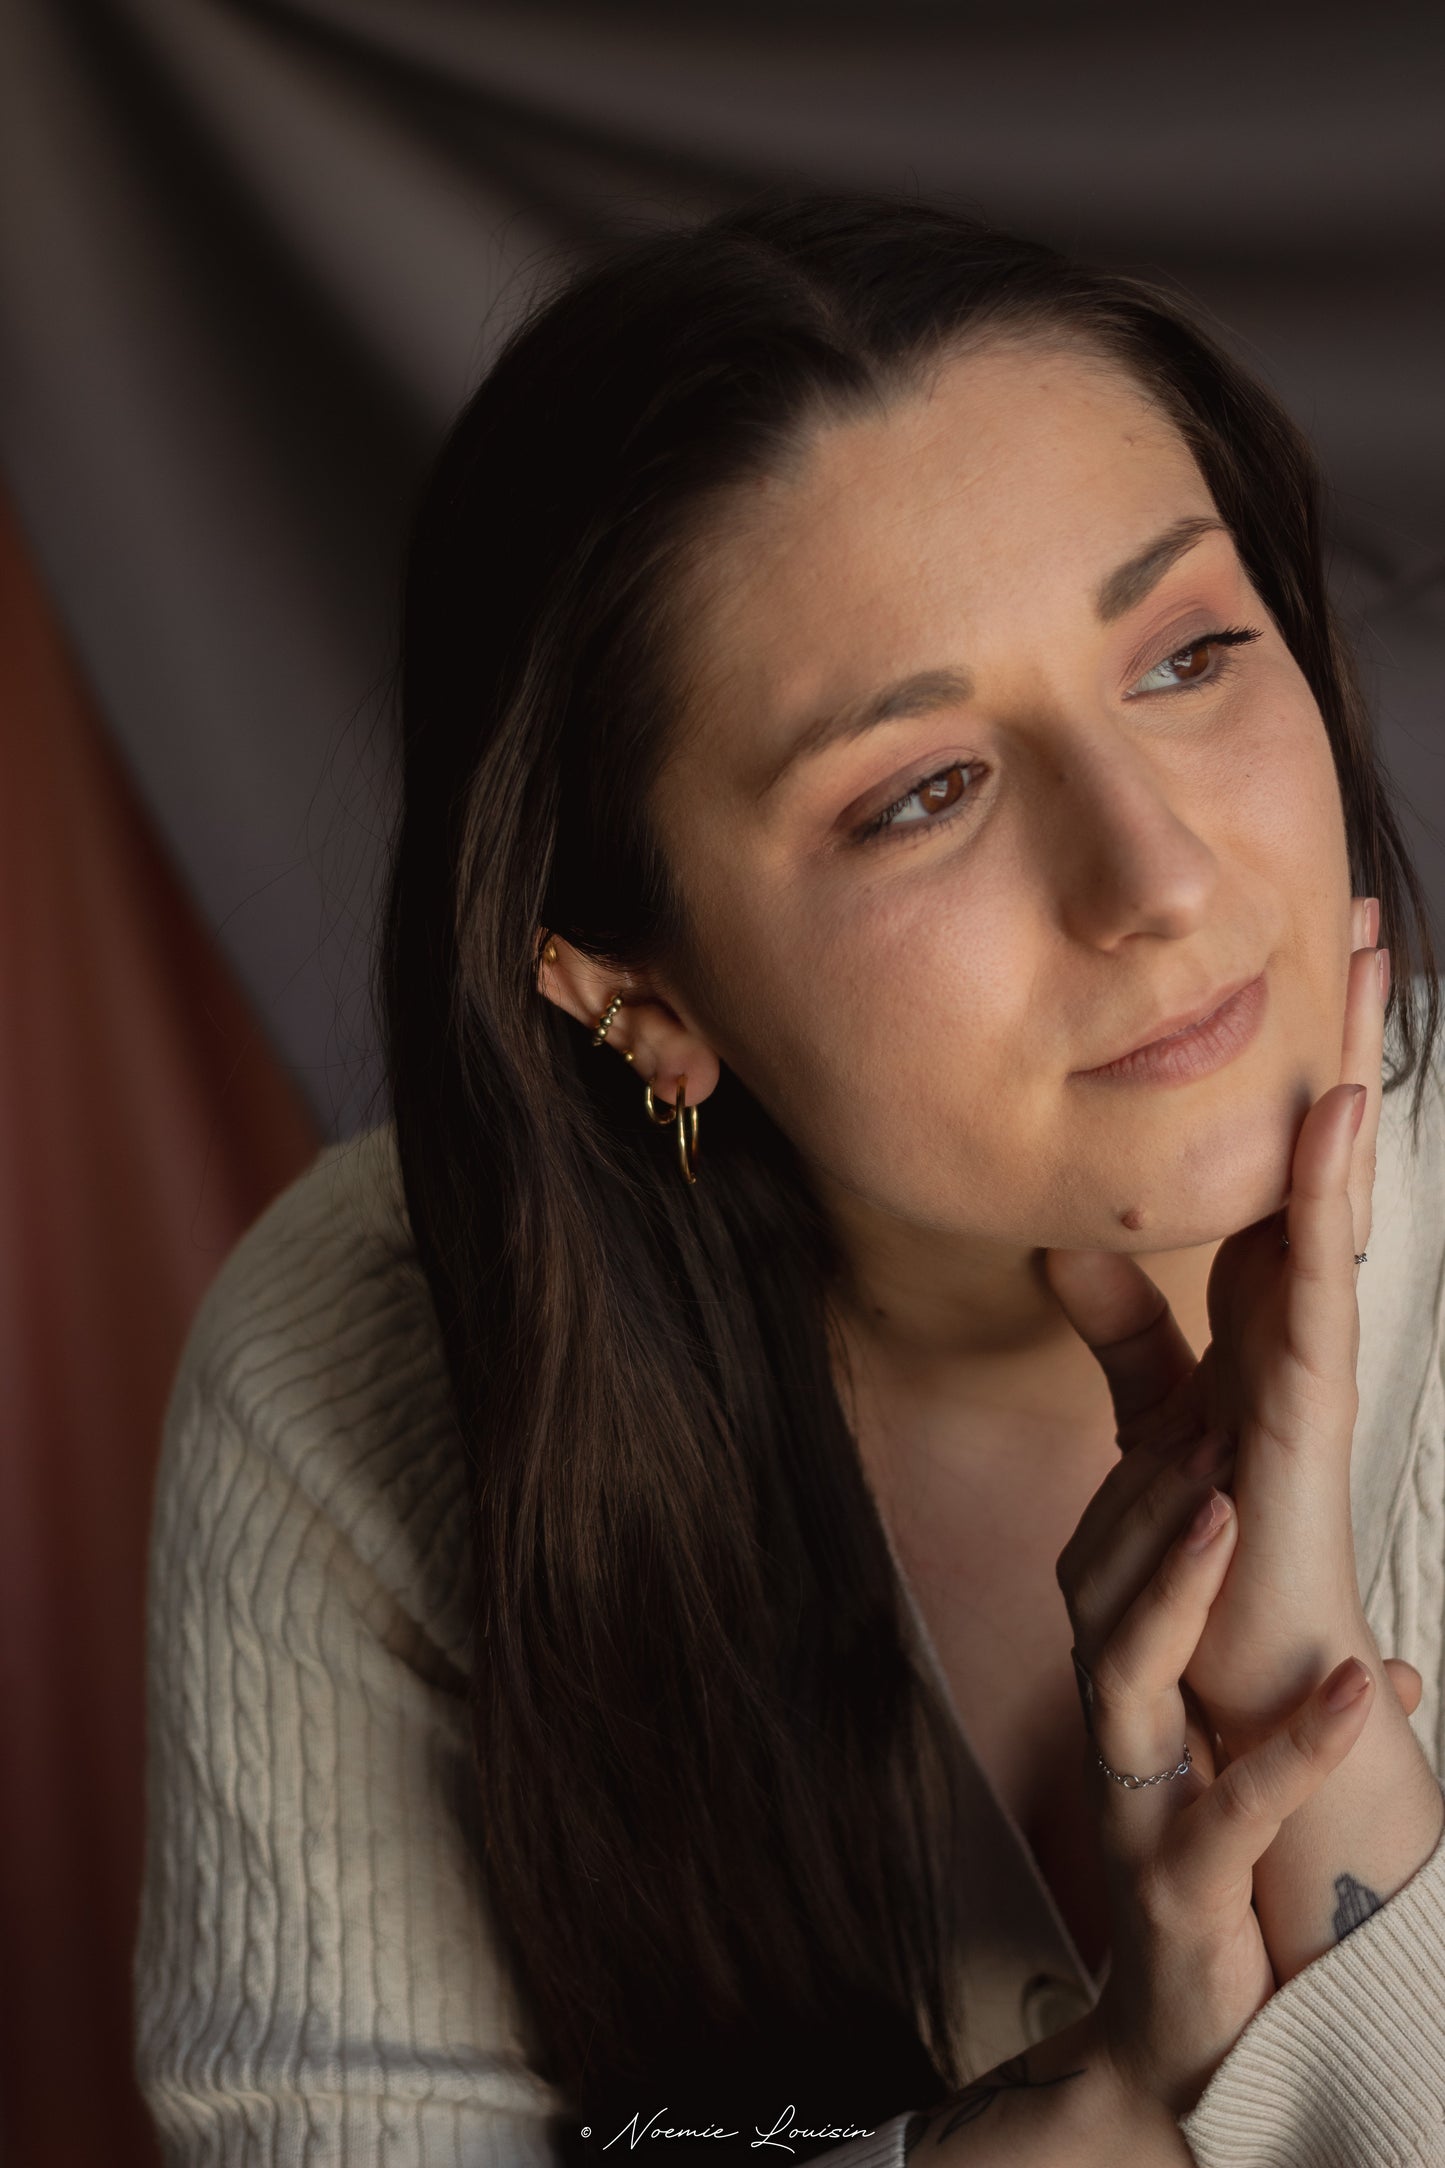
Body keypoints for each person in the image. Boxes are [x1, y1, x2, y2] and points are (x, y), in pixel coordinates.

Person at [133, 190, 1445, 2168]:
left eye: (1187, 655)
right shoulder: (363, 1362)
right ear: (638, 999)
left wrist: (1332, 1769)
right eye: (924, 791)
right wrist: (1078, 2120)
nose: (1160, 877)